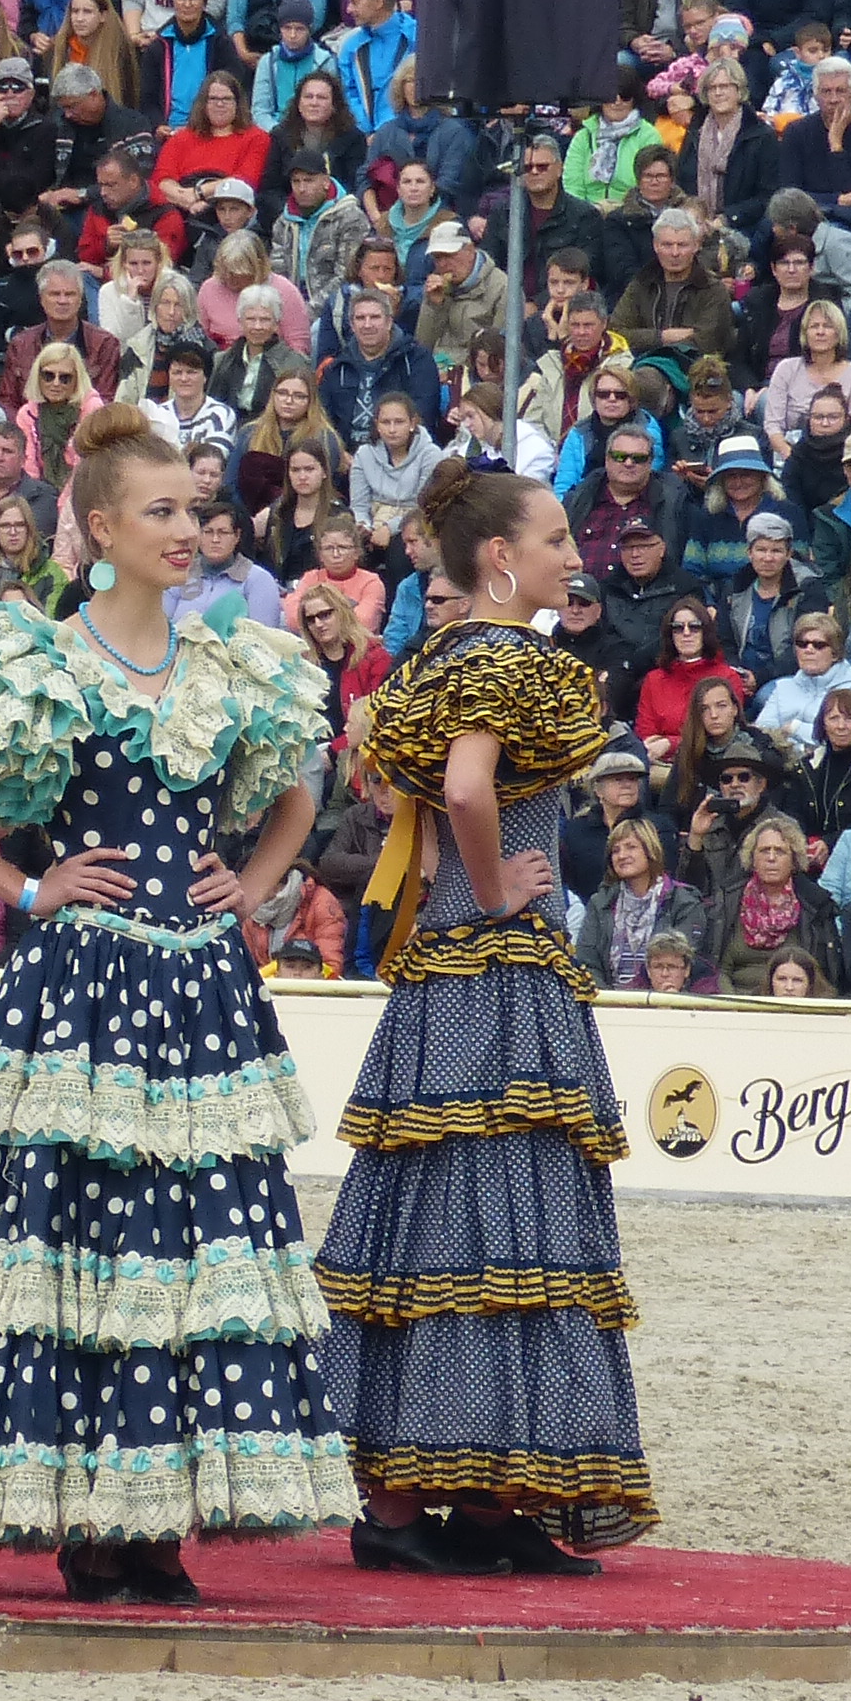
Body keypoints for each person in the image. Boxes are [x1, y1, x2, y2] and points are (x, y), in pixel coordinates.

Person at [0, 403, 347, 1602]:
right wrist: (30, 885)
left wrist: (248, 884)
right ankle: (91, 1520)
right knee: (79, 1240)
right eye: (164, 511)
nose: (190, 530)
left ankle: (156, 1520)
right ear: (99, 527)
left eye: (194, 509)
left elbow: (300, 791)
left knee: (190, 1242)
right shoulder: (34, 655)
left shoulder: (233, 659)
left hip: (196, 987)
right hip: (78, 990)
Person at [322, 455, 650, 1576]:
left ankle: (450, 1504)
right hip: (498, 965)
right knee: (501, 1225)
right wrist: (505, 880)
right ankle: (455, 1505)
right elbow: (467, 790)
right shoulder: (509, 658)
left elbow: (432, 785)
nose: (574, 553)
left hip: (448, 970)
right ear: (502, 558)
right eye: (557, 538)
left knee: (441, 1229)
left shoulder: (445, 655)